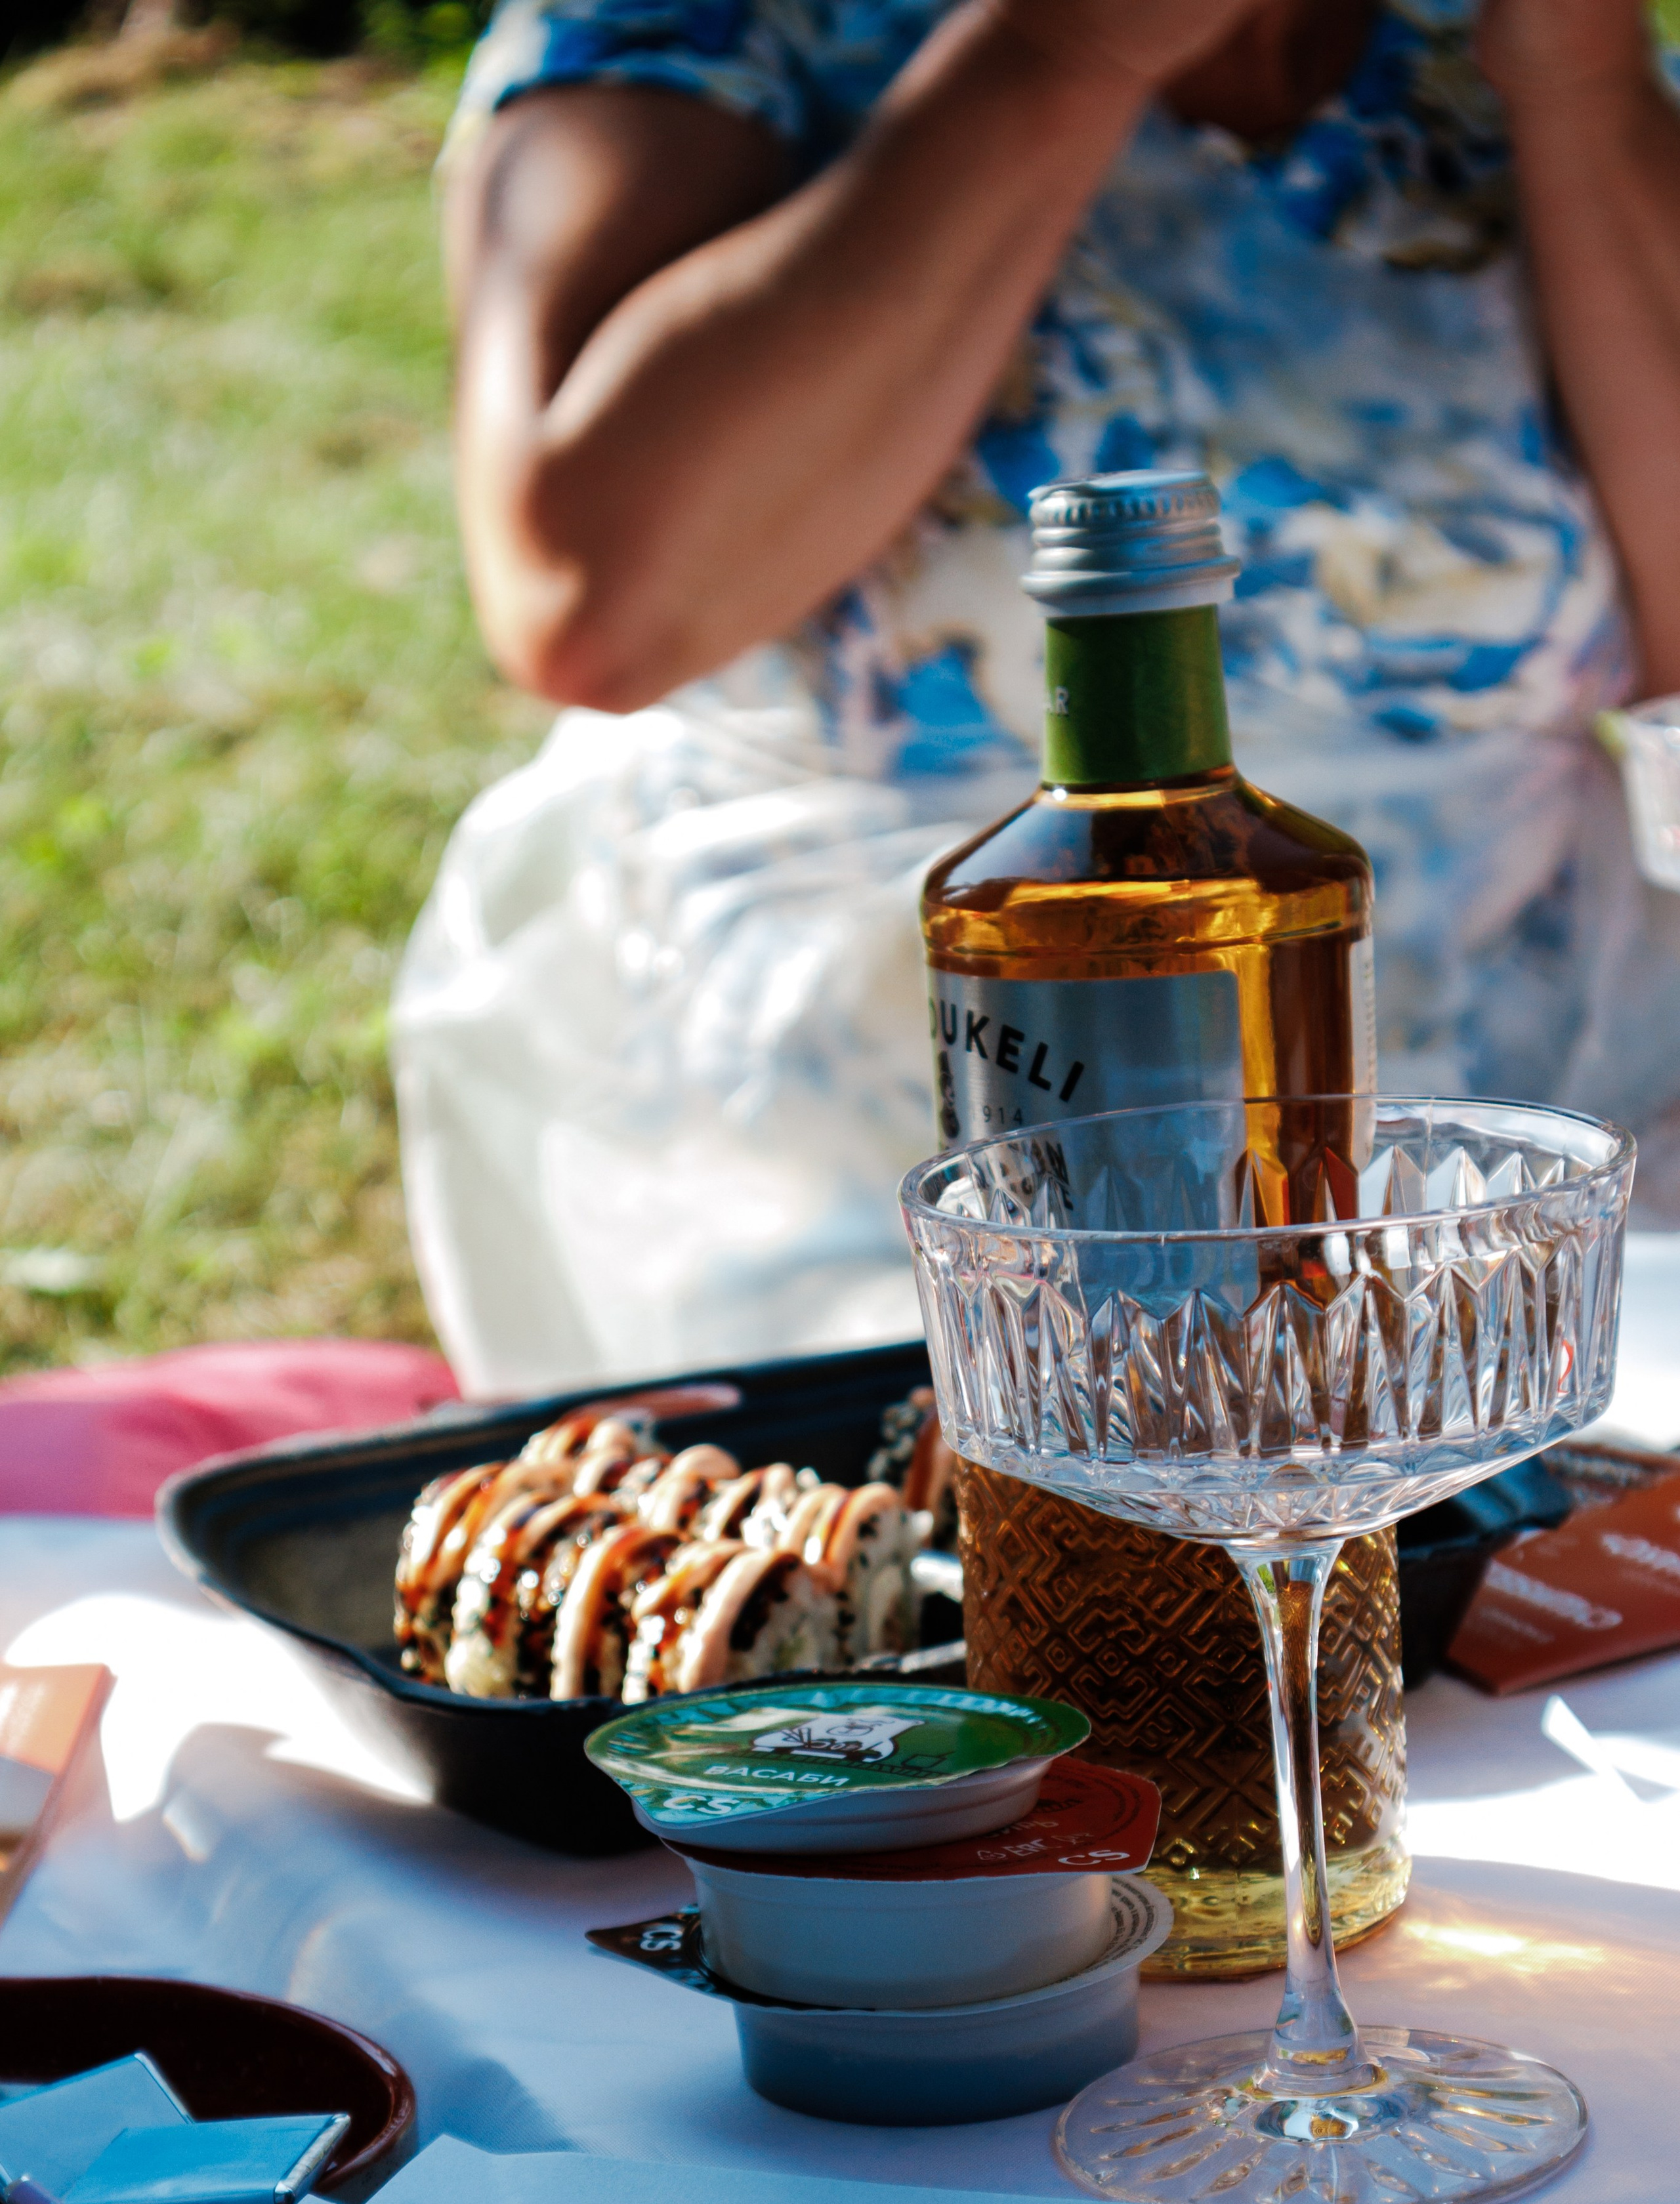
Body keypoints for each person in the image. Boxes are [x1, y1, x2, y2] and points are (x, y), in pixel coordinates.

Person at [391, 0, 1680, 1397]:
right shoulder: (717, 28)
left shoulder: (1480, 41)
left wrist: (1578, 71)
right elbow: (594, 605)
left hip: (1520, 1111)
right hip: (903, 1120)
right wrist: (1070, 48)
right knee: (1089, 1570)